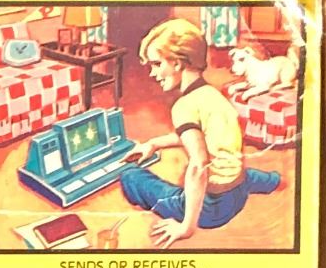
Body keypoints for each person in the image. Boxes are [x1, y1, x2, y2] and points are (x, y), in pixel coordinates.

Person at [119, 17, 282, 247]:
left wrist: (186, 228)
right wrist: (154, 144)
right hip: (239, 190)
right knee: (241, 169)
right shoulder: (212, 95)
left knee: (130, 176)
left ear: (177, 63)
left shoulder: (184, 106)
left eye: (156, 64)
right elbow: (201, 137)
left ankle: (187, 215)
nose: (152, 73)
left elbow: (199, 165)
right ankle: (273, 181)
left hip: (213, 209)